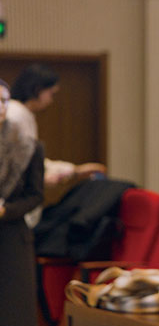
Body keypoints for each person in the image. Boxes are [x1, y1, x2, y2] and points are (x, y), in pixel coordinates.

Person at [8, 64, 107, 226]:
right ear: (37, 89)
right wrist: (65, 172)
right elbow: (19, 166)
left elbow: (30, 162)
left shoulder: (22, 115)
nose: (51, 100)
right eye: (51, 93)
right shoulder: (15, 117)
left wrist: (73, 171)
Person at [0, 79, 44, 326]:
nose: (0, 107)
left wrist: (6, 210)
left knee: (15, 323)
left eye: (4, 100)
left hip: (12, 236)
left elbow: (35, 195)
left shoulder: (29, 146)